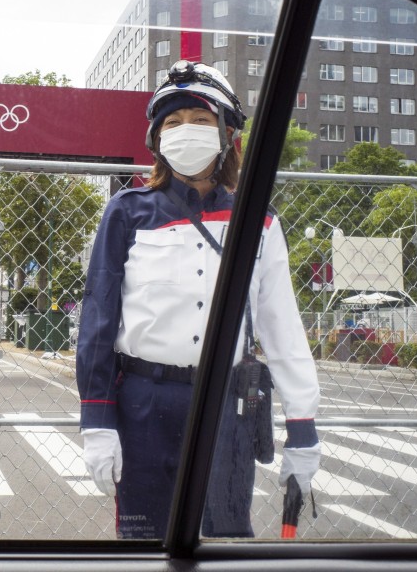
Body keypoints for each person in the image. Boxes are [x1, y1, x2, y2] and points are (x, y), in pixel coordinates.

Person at [77, 60, 321, 539]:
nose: (185, 131)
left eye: (200, 120)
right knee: (145, 543)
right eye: (172, 123)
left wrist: (303, 427)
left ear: (226, 133)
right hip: (142, 405)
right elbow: (98, 320)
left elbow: (282, 327)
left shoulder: (260, 221)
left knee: (226, 543)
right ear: (157, 139)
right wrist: (97, 421)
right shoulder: (126, 212)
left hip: (226, 406)